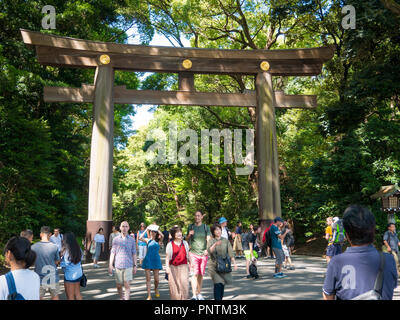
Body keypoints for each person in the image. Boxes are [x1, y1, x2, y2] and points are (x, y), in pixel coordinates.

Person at [323, 205, 397, 300]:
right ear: (373, 230)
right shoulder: (389, 260)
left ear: (347, 234)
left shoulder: (336, 262)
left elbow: (328, 295)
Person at [207, 223, 237, 300]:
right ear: (213, 232)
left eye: (219, 229)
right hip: (213, 265)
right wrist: (215, 244)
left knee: (222, 283)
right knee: (218, 283)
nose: (218, 231)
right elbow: (209, 251)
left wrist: (234, 263)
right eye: (216, 230)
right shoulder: (211, 240)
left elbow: (230, 252)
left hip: (223, 265)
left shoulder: (225, 240)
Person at [109, 221, 137, 300]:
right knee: (119, 285)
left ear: (128, 228)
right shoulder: (115, 239)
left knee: (127, 284)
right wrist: (110, 265)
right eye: (123, 226)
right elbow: (113, 253)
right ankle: (121, 297)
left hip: (128, 265)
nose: (124, 228)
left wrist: (135, 265)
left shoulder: (132, 240)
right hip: (118, 265)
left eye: (126, 226)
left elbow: (134, 253)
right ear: (120, 228)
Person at [186, 210, 211, 300]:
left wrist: (207, 249)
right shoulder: (191, 226)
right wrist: (189, 234)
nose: (197, 217)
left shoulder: (206, 227)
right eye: (195, 216)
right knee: (194, 274)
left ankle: (199, 293)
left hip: (203, 254)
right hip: (193, 253)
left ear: (201, 217)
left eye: (198, 215)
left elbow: (208, 239)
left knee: (200, 274)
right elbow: (186, 239)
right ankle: (194, 295)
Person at [31, 226, 60, 300]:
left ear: (41, 234)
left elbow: (32, 262)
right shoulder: (55, 247)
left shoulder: (33, 247)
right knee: (55, 297)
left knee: (38, 297)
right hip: (52, 276)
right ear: (50, 234)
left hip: (39, 277)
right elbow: (57, 261)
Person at [165, 226, 191, 300]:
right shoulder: (170, 244)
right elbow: (167, 257)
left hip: (184, 267)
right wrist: (167, 267)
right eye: (177, 232)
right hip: (173, 267)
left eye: (180, 232)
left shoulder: (185, 243)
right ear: (173, 235)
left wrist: (191, 264)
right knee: (174, 286)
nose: (179, 233)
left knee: (184, 284)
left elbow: (188, 255)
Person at [139, 225, 164, 300]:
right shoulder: (147, 240)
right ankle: (149, 295)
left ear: (156, 233)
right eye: (151, 231)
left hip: (156, 260)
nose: (153, 233)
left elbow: (162, 235)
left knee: (156, 279)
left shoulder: (159, 241)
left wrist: (157, 228)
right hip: (148, 259)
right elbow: (140, 238)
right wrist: (147, 229)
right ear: (150, 232)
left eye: (154, 232)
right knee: (148, 279)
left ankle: (156, 289)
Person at [60, 232, 84, 300]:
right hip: (79, 273)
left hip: (70, 275)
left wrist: (61, 260)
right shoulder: (78, 248)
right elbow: (81, 259)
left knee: (70, 296)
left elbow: (66, 264)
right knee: (77, 293)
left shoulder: (67, 250)